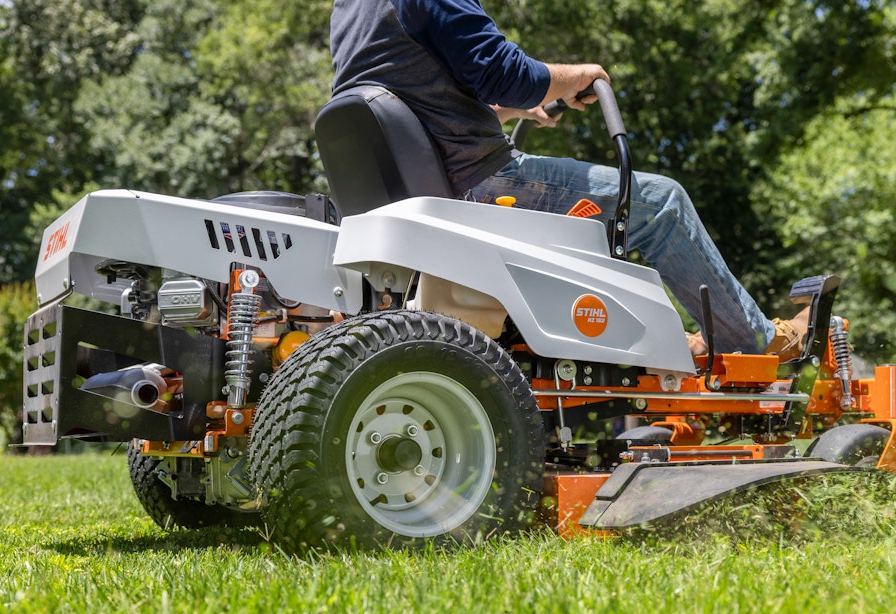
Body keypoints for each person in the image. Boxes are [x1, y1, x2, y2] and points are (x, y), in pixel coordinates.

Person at [329, 0, 809, 359]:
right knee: (662, 203)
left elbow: (409, 94)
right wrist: (578, 74)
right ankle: (755, 342)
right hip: (478, 184)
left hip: (410, 203)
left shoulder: (349, 10)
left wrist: (507, 109)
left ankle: (662, 341)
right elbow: (502, 71)